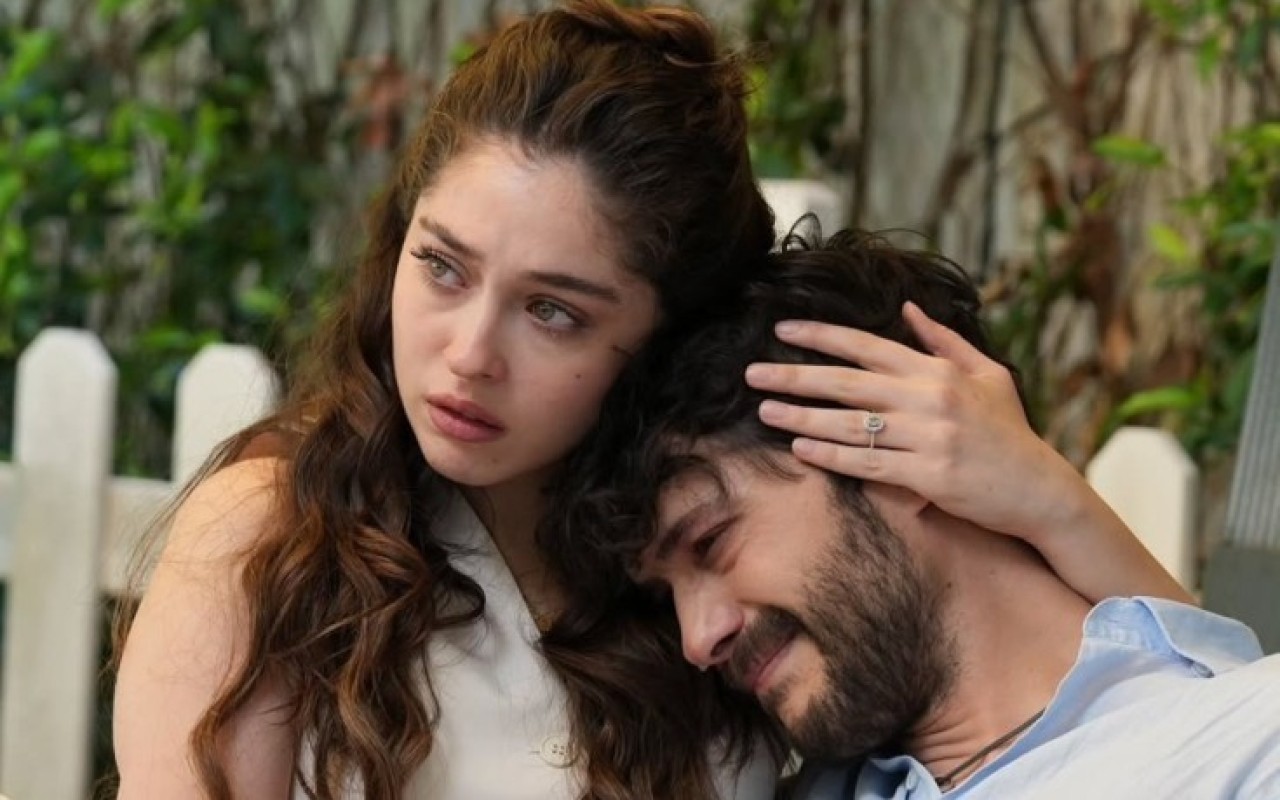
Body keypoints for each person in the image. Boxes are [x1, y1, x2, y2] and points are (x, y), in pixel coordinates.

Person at [111, 1, 1182, 797]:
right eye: (441, 267)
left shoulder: (711, 586)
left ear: (659, 333)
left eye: (553, 312)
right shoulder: (280, 537)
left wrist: (1049, 499)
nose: (467, 354)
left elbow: (1180, 716)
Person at [549, 229, 1279, 799]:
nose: (697, 639)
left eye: (711, 541)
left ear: (905, 449)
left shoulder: (1239, 752)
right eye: (667, 595)